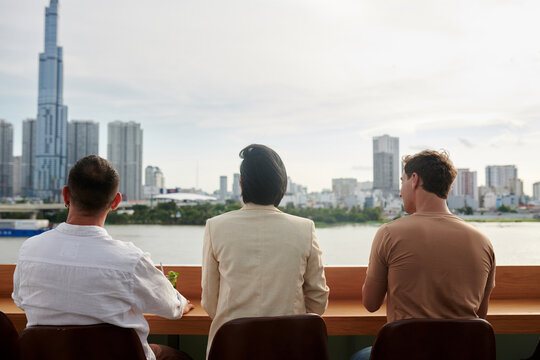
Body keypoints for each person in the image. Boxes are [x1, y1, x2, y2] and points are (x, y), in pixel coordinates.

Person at [12, 155, 194, 360]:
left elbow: (20, 300)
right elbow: (172, 308)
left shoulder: (30, 250)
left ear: (65, 195)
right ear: (116, 201)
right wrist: (180, 302)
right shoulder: (130, 260)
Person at [351, 150, 495, 360]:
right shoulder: (483, 242)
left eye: (402, 181)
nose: (400, 192)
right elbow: (479, 316)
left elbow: (371, 303)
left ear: (415, 179)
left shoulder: (389, 233)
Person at [201, 144, 330, 356]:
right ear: (282, 186)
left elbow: (210, 302)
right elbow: (318, 300)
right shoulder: (304, 228)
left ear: (241, 184)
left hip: (231, 350)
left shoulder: (215, 226)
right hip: (290, 348)